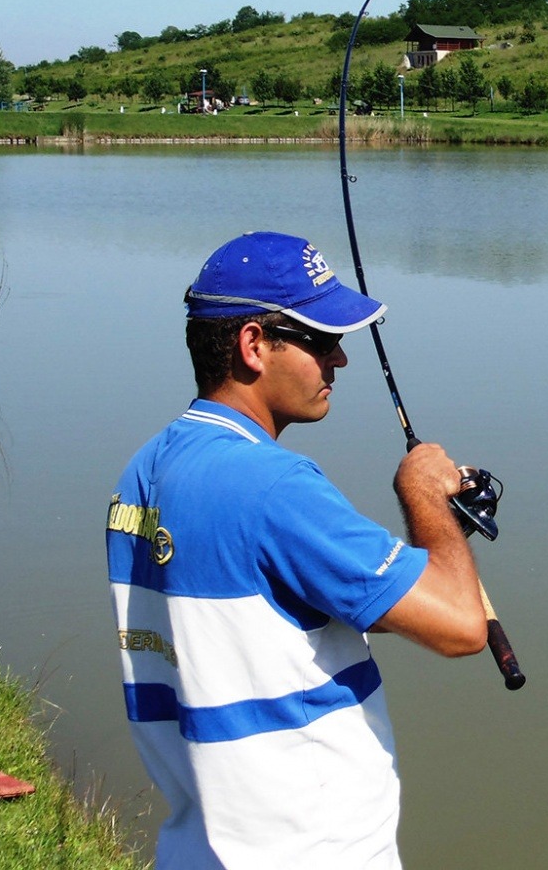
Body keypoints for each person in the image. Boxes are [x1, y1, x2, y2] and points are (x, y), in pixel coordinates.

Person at [106, 230, 486, 869]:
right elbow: (460, 625)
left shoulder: (143, 472)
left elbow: (270, 621)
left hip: (197, 848)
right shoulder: (277, 490)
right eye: (323, 339)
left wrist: (433, 542)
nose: (340, 360)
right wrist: (425, 497)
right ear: (254, 345)